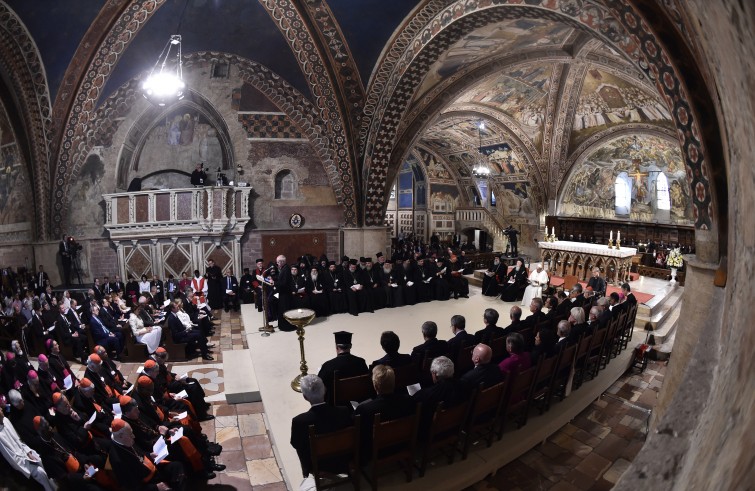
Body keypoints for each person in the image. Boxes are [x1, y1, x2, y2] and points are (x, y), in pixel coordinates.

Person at [290, 375, 353, 480]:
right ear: (324, 390)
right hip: (344, 460)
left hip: (319, 466)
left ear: (305, 397)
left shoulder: (299, 422)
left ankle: (307, 474)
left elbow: (296, 444)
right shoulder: (344, 411)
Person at [354, 365, 416, 462]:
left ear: (375, 385)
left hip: (376, 451)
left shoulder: (365, 409)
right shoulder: (409, 400)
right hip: (402, 444)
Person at [0, 403, 56, 491]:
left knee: (43, 461)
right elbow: (12, 458)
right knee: (40, 473)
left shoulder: (6, 420)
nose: (1, 409)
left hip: (26, 452)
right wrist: (27, 463)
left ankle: (55, 486)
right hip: (22, 463)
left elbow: (19, 439)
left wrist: (28, 452)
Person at [411, 356, 467, 438]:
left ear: (434, 374)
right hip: (455, 426)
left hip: (432, 433)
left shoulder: (425, 394)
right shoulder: (465, 385)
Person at [317, 331, 369, 405]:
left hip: (336, 406)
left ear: (337, 347)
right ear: (350, 346)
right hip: (358, 402)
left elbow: (319, 387)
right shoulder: (361, 362)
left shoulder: (328, 366)